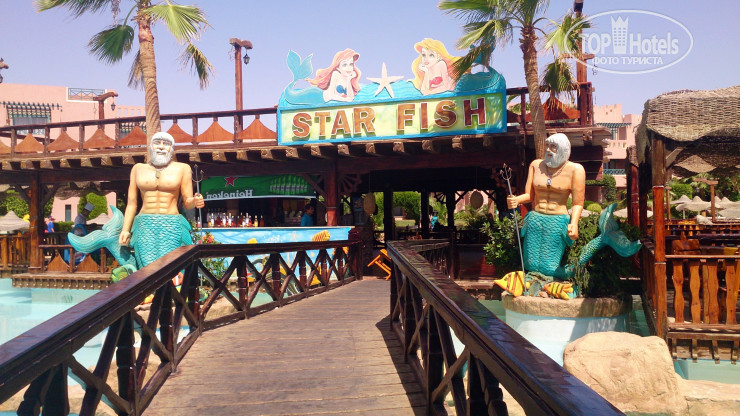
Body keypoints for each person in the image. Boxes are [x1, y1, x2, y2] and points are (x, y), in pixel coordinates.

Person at [119, 132, 205, 268]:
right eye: (157, 143)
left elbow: (187, 203)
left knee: (171, 267)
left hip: (171, 223)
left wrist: (195, 201)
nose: (161, 147)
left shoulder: (182, 168)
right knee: (146, 267)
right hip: (145, 224)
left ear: (172, 148)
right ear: (150, 146)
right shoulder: (138, 169)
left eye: (166, 144)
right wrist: (125, 230)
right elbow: (131, 204)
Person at [506, 133, 585, 279]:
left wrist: (574, 223)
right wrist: (516, 200)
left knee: (549, 267)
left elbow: (577, 203)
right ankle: (532, 283)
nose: (548, 149)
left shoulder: (575, 170)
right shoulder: (536, 165)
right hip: (535, 218)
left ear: (563, 150)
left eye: (553, 146)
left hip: (557, 220)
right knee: (530, 263)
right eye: (547, 145)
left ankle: (565, 275)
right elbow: (529, 195)